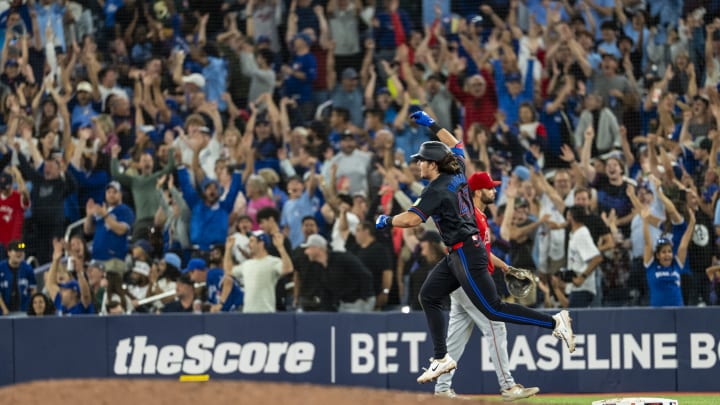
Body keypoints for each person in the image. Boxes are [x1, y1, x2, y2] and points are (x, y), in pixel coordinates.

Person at [375, 111, 575, 384]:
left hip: (468, 252)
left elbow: (411, 220)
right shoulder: (456, 170)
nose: (417, 165)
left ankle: (555, 323)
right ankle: (441, 358)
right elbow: (456, 144)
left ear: (433, 164)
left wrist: (386, 219)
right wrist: (432, 124)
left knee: (493, 309)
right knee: (429, 295)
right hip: (459, 252)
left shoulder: (435, 189)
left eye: (421, 160)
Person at [434, 172, 540, 400]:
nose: (494, 191)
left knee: (455, 338)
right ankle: (508, 386)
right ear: (478, 191)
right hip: (469, 278)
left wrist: (506, 268)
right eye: (490, 188)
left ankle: (442, 389)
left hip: (460, 281)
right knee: (496, 326)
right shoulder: (471, 216)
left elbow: (484, 252)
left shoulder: (475, 215)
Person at [642, 206, 695, 307]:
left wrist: (692, 223)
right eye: (664, 252)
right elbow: (647, 244)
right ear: (657, 255)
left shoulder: (676, 265)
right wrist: (645, 221)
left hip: (677, 313)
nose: (667, 255)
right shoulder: (651, 266)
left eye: (669, 251)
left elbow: (683, 245)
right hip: (658, 314)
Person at [227, 232, 293, 313]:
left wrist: (280, 247)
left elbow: (288, 269)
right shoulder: (247, 264)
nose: (248, 244)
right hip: (247, 313)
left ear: (261, 243)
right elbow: (229, 271)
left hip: (266, 313)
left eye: (251, 241)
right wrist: (228, 249)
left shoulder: (273, 261)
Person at [0, 241, 36, 313]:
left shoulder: (28, 269)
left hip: (23, 312)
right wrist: (4, 310)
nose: (19, 253)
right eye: (16, 251)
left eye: (22, 251)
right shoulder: (1, 268)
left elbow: (33, 291)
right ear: (9, 253)